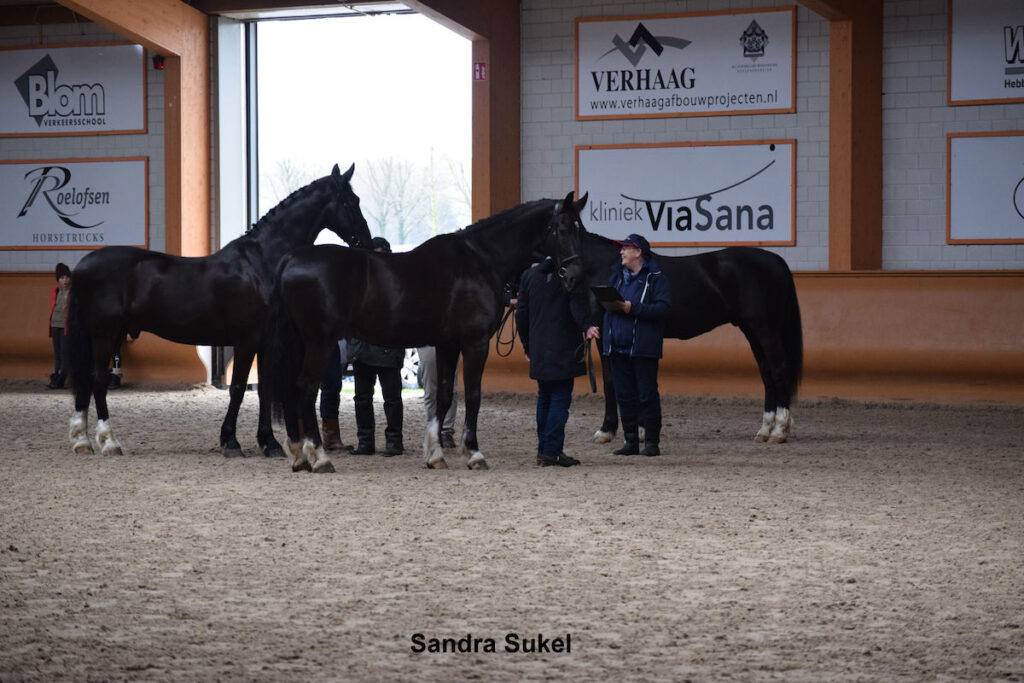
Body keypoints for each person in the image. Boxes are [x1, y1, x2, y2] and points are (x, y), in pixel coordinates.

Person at [516, 256, 600, 467]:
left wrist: (528, 346)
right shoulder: (570, 276)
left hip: (539, 348)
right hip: (563, 348)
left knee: (544, 397)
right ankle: (552, 451)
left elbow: (521, 315)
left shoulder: (528, 276)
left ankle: (543, 450)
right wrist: (587, 326)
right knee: (559, 400)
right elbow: (577, 307)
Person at [601, 233, 672, 457]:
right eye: (621, 248)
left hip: (642, 347)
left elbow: (663, 309)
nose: (621, 251)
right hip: (617, 347)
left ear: (639, 252)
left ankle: (652, 442)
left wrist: (633, 308)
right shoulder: (616, 277)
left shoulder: (656, 278)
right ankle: (630, 441)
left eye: (626, 248)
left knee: (647, 395)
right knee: (624, 396)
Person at [348, 237, 405, 456]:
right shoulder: (360, 282)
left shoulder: (395, 282)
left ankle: (393, 441)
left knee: (391, 398)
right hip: (365, 347)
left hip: (386, 345)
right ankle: (367, 441)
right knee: (363, 398)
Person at [416, 346, 457, 449]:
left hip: (450, 342)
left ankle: (446, 432)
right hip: (427, 343)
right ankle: (433, 430)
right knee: (431, 390)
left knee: (450, 388)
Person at [47, 263, 72, 389]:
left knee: (65, 353)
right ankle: (57, 375)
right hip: (55, 324)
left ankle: (61, 379)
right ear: (58, 279)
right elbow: (54, 307)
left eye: (67, 277)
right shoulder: (55, 291)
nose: (65, 280)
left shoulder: (73, 292)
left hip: (65, 326)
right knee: (57, 353)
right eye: (62, 278)